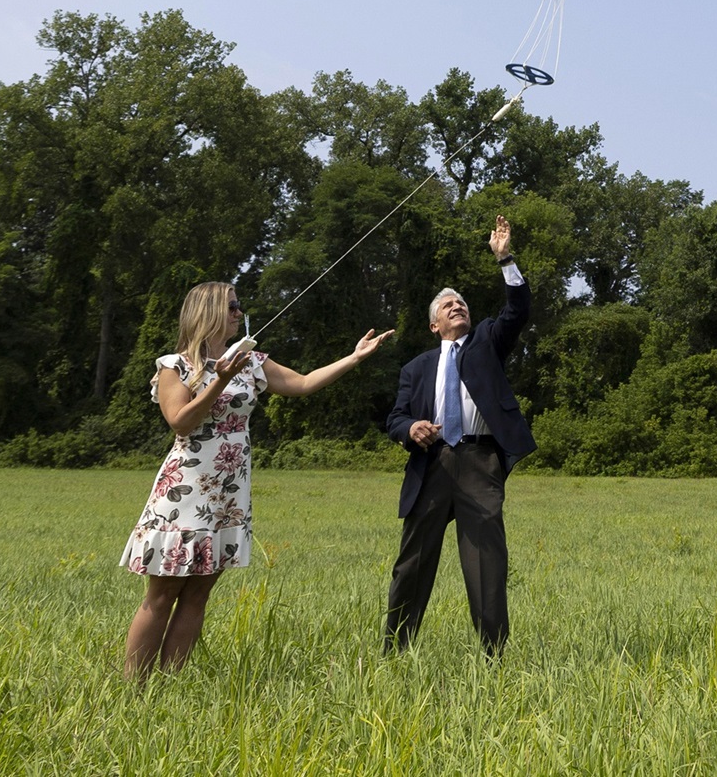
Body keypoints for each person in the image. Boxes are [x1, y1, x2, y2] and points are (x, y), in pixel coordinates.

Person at [120, 280, 391, 674]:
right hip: (185, 491)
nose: (238, 313)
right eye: (231, 307)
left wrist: (353, 358)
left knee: (198, 594)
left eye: (238, 306)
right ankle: (133, 688)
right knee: (163, 594)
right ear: (209, 311)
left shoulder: (251, 360)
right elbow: (180, 422)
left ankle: (167, 683)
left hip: (229, 492)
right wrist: (221, 380)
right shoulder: (173, 366)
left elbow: (301, 383)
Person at [383, 215, 532, 654]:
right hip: (430, 465)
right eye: (447, 306)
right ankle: (393, 653)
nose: (457, 307)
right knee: (412, 564)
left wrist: (504, 258)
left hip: (479, 463)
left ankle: (494, 659)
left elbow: (518, 310)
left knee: (486, 565)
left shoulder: (487, 342)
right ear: (434, 325)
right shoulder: (416, 368)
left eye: (461, 303)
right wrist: (411, 428)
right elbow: (394, 419)